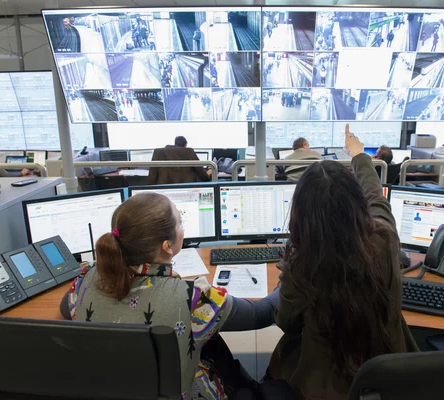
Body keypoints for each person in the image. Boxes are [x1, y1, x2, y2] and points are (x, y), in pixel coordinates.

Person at [59, 193, 278, 399]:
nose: (182, 228)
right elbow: (263, 314)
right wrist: (288, 275)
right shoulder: (193, 297)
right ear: (167, 246)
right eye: (180, 223)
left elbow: (64, 308)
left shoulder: (87, 279)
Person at [268, 124, 418, 398]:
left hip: (326, 390)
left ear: (302, 216)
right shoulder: (385, 241)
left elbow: (287, 323)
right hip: (392, 381)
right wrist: (358, 154)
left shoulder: (301, 265)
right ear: (356, 203)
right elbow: (375, 195)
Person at [148, 136, 212, 184]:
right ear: (185, 145)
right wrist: (208, 173)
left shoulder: (159, 152)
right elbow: (200, 172)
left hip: (163, 190)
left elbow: (152, 177)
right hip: (186, 189)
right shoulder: (189, 152)